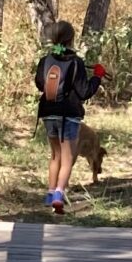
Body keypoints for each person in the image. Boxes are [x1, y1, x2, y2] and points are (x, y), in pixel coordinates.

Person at [34, 20, 102, 215]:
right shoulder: (76, 62)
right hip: (69, 116)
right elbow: (84, 91)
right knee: (67, 158)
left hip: (48, 113)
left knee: (55, 155)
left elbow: (40, 84)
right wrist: (97, 77)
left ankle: (49, 193)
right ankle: (58, 194)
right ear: (72, 39)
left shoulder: (45, 60)